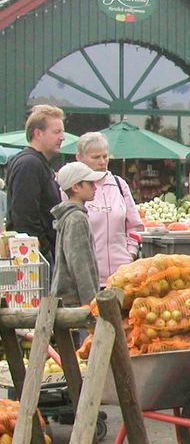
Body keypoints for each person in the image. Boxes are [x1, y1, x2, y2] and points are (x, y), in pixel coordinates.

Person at [72, 132, 144, 286]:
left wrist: (130, 253)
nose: (102, 162)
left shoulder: (119, 184)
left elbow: (134, 226)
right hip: (89, 279)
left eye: (105, 156)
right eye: (96, 157)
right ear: (80, 158)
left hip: (123, 275)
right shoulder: (75, 188)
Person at [5, 105, 65, 264]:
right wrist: (45, 252)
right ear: (38, 133)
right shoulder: (29, 164)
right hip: (36, 260)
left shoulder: (36, 163)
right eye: (56, 132)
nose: (62, 137)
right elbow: (24, 216)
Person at [51, 161, 104, 307]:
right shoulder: (77, 218)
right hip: (74, 302)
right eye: (90, 183)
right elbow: (81, 265)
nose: (95, 187)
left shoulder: (71, 216)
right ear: (75, 187)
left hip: (68, 300)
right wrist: (92, 304)